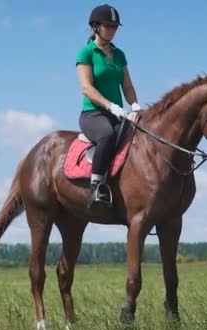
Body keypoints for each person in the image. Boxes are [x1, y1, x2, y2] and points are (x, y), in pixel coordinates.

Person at [76, 4, 141, 207]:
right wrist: (111, 105)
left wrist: (135, 105)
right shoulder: (86, 53)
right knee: (107, 136)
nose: (112, 30)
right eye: (108, 26)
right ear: (96, 26)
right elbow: (87, 88)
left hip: (118, 113)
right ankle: (97, 187)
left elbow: (127, 85)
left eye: (114, 27)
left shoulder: (119, 54)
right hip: (93, 114)